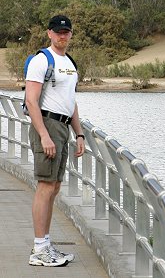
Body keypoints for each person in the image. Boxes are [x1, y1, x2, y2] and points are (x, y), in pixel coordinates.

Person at [25, 15, 85, 267]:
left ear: (71, 34)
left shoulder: (69, 63)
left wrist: (79, 133)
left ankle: (46, 244)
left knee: (55, 186)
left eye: (67, 32)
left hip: (63, 128)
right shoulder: (42, 60)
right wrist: (44, 135)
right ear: (49, 33)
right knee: (45, 186)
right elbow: (31, 100)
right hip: (47, 125)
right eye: (58, 32)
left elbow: (70, 102)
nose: (63, 36)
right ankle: (39, 250)